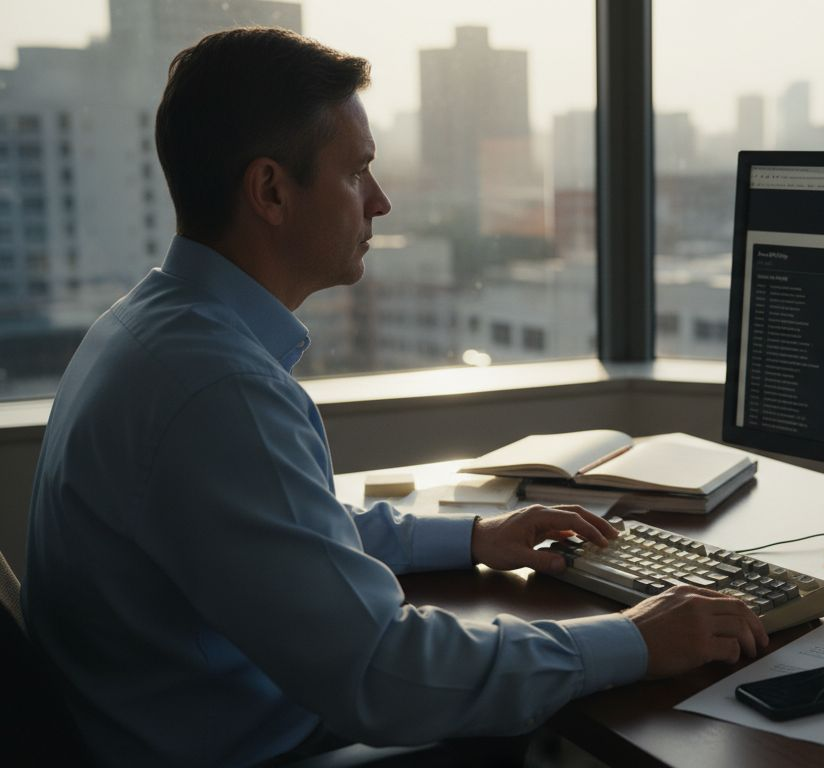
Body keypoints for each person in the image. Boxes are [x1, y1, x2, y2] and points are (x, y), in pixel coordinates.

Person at [22, 27, 767, 766]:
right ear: (271, 191)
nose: (379, 203)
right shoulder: (220, 389)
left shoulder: (143, 330)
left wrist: (477, 537)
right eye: (357, 174)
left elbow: (284, 533)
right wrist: (637, 639)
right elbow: (385, 672)